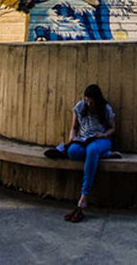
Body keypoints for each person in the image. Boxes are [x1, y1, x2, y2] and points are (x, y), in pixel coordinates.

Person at [43, 84, 117, 222]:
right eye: (87, 100)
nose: (89, 104)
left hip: (100, 140)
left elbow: (113, 128)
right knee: (72, 152)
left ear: (97, 100)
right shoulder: (80, 107)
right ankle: (106, 155)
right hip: (83, 139)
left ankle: (84, 195)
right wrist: (72, 138)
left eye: (91, 102)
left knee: (92, 150)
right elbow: (74, 127)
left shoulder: (105, 108)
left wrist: (103, 134)